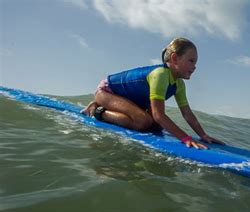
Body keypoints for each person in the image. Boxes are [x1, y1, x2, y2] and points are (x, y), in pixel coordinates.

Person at [81, 37, 224, 149]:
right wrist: (185, 138)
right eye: (191, 61)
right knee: (143, 121)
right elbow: (159, 114)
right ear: (174, 58)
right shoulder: (160, 75)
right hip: (107, 92)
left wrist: (203, 135)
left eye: (196, 63)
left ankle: (105, 109)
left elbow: (187, 113)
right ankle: (96, 110)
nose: (194, 67)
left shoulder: (179, 84)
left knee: (157, 125)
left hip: (129, 100)